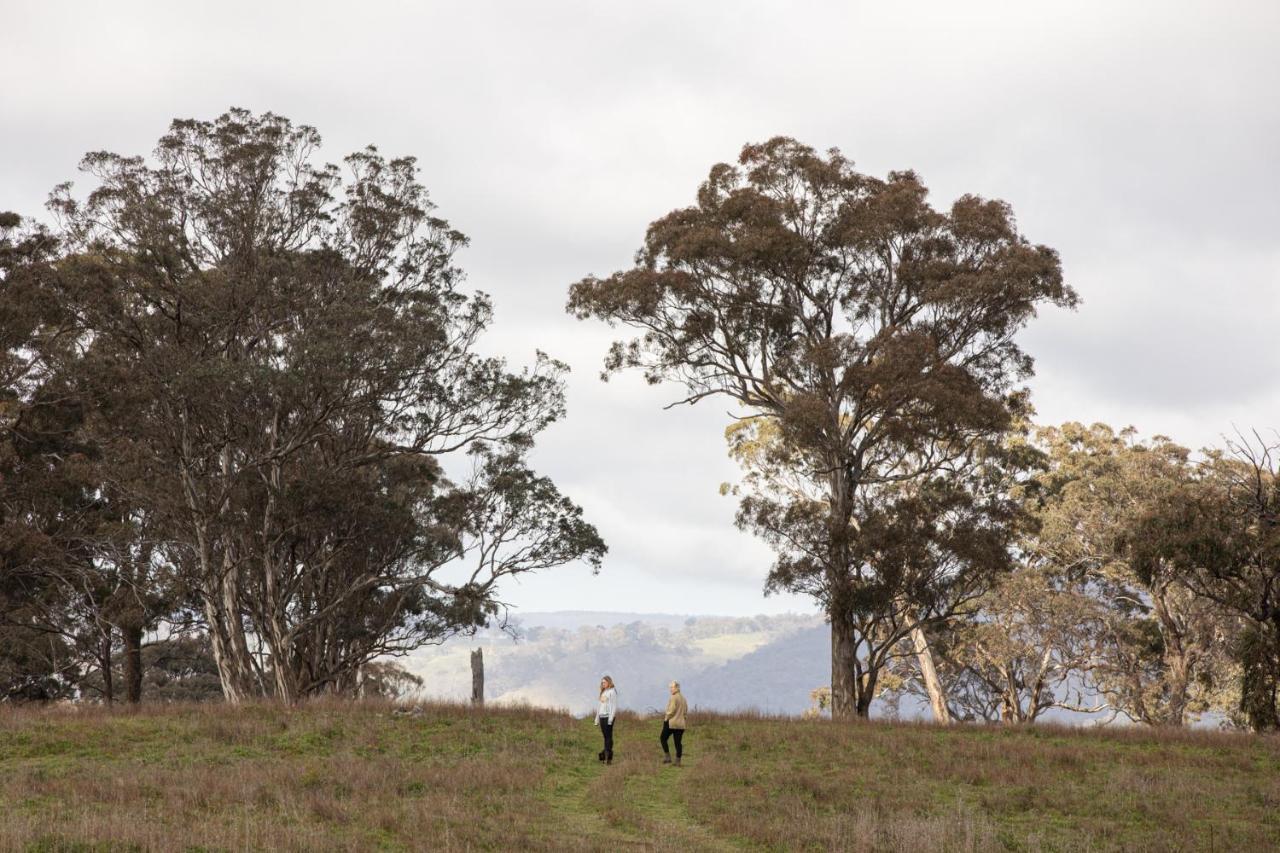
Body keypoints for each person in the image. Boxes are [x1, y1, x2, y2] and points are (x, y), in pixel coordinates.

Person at [660, 680, 687, 766]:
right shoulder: (683, 698)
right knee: (678, 743)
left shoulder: (673, 697)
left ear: (677, 688)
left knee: (663, 738)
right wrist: (683, 720)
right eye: (670, 687)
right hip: (681, 724)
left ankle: (667, 757)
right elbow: (685, 712)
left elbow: (671, 711)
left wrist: (666, 718)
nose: (670, 689)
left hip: (672, 723)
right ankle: (678, 761)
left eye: (672, 687)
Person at [595, 675, 617, 765]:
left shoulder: (612, 692)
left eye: (604, 682)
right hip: (602, 717)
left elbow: (614, 706)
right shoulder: (603, 692)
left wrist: (611, 719)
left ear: (609, 682)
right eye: (602, 682)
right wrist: (597, 718)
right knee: (606, 737)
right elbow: (599, 706)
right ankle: (606, 756)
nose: (603, 683)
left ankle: (607, 757)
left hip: (608, 716)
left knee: (608, 737)